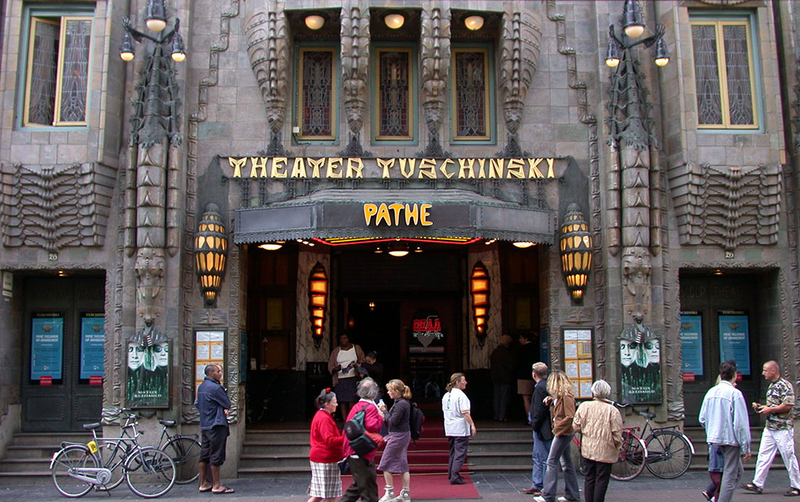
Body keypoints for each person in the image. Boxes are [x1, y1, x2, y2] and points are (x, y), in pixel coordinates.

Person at [743, 360, 800, 496]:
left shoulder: (785, 385)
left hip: (783, 427)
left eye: (765, 370)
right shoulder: (772, 386)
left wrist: (770, 409)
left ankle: (796, 485)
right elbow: (774, 406)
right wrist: (762, 407)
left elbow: (788, 405)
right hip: (770, 427)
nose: (763, 373)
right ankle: (757, 483)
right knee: (763, 455)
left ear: (773, 371)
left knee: (788, 456)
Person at [699, 360, 751, 502]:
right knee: (730, 473)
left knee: (736, 471)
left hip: (715, 438)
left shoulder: (710, 393)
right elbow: (740, 424)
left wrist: (712, 429)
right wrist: (746, 447)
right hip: (730, 439)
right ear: (734, 375)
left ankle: (718, 496)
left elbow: (702, 419)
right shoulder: (735, 394)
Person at [533, 370, 580, 502]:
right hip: (563, 432)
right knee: (566, 463)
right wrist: (552, 401)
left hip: (563, 433)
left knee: (551, 461)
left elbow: (569, 416)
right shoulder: (560, 397)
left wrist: (557, 429)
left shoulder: (567, 397)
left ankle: (548, 495)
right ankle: (572, 494)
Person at [572, 380, 622, 502]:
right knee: (602, 480)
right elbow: (616, 433)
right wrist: (617, 446)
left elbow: (576, 426)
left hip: (588, 449)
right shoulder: (612, 410)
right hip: (606, 450)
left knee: (589, 478)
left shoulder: (584, 406)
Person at [341, 377, 384, 502]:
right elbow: (372, 426)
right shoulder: (370, 407)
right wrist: (381, 418)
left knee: (361, 484)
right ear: (374, 393)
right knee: (367, 487)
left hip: (354, 449)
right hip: (361, 450)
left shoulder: (357, 406)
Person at [197, 364, 234, 494]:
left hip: (205, 424)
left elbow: (198, 404)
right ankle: (217, 484)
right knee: (216, 454)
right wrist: (222, 409)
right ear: (211, 373)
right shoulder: (215, 388)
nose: (220, 374)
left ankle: (203, 482)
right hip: (216, 424)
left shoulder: (201, 387)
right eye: (218, 371)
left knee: (204, 454)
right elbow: (227, 403)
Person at [377, 379, 413, 502]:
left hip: (398, 435)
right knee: (403, 463)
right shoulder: (403, 403)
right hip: (403, 434)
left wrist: (384, 411)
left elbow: (392, 421)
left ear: (396, 391)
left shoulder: (400, 404)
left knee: (386, 463)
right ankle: (405, 493)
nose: (388, 393)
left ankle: (390, 491)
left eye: (390, 390)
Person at [307, 388, 345, 502]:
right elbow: (329, 440)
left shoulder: (322, 415)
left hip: (322, 456)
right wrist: (345, 439)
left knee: (324, 494)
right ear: (327, 404)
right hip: (325, 457)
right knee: (327, 494)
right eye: (334, 402)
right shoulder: (324, 418)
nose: (337, 404)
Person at [523, 362, 552, 496]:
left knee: (541, 457)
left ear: (534, 374)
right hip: (542, 427)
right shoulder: (546, 386)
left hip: (541, 428)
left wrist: (534, 423)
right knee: (540, 456)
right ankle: (538, 483)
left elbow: (539, 410)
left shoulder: (540, 388)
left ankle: (542, 485)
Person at [442, 372, 476, 485]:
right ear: (457, 382)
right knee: (460, 453)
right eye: (463, 380)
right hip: (460, 428)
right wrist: (472, 425)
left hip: (450, 426)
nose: (465, 382)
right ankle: (455, 475)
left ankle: (451, 473)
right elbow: (465, 412)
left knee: (453, 451)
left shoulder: (446, 395)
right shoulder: (461, 395)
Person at [328, 334, 366, 421]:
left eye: (345, 338)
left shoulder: (356, 348)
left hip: (353, 378)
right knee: (342, 401)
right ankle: (346, 421)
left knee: (352, 400)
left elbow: (363, 361)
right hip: (340, 379)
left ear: (348, 339)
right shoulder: (336, 351)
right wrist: (335, 369)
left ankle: (352, 419)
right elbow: (330, 365)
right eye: (341, 339)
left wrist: (357, 366)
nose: (343, 340)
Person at [490, 335, 515, 421]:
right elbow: (510, 366)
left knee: (497, 397)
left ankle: (496, 415)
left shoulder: (494, 352)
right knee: (504, 397)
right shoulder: (506, 353)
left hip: (495, 378)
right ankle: (502, 416)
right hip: (505, 378)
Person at [516, 333, 538, 425]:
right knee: (535, 398)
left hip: (523, 376)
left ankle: (530, 419)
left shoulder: (522, 350)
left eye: (520, 338)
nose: (519, 340)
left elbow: (518, 363)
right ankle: (536, 417)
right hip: (535, 376)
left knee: (526, 399)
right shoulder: (536, 348)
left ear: (525, 338)